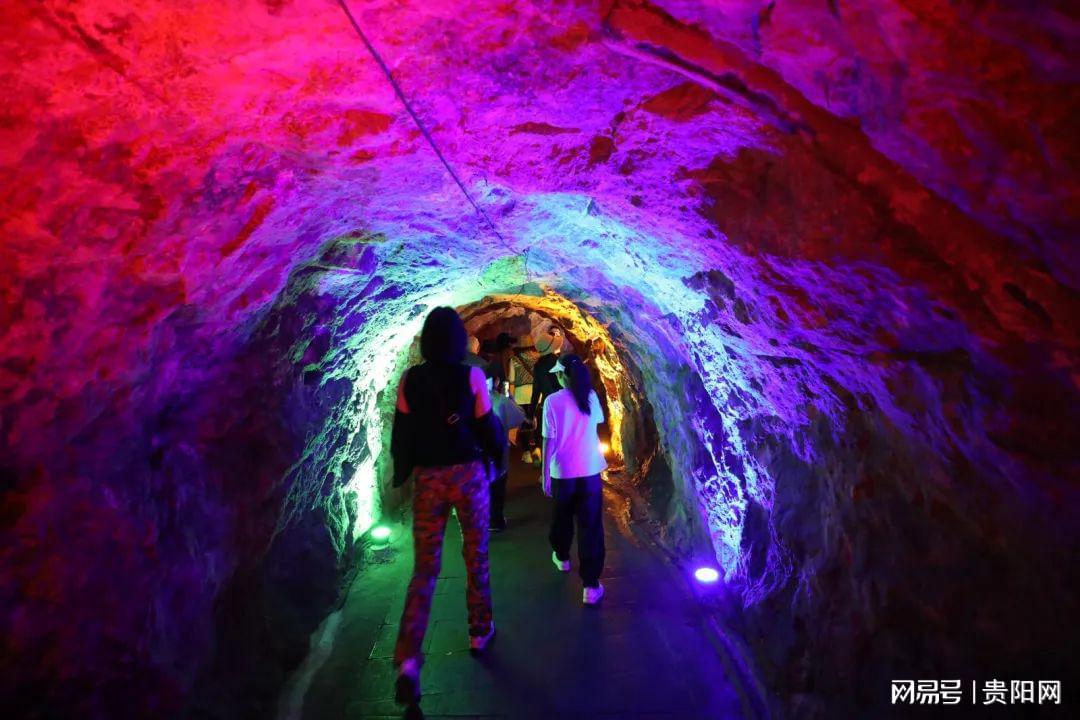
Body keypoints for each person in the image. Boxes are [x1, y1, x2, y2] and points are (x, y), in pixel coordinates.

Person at [390, 307, 506, 706]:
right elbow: (486, 425)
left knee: (424, 569)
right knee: (476, 556)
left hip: (429, 479)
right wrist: (498, 460)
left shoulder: (410, 380)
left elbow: (402, 434)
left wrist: (403, 473)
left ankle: (408, 659)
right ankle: (479, 630)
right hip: (468, 475)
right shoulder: (471, 376)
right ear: (458, 340)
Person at [541, 353, 608, 605]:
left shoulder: (552, 401)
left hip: (563, 471)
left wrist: (544, 474)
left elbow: (549, 440)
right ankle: (590, 585)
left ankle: (562, 557)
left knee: (562, 517)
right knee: (590, 526)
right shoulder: (591, 396)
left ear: (561, 375)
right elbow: (597, 422)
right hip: (589, 470)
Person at [484, 363, 526, 531]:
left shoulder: (470, 398)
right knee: (497, 487)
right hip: (497, 452)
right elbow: (519, 417)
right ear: (497, 381)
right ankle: (495, 521)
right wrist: (511, 399)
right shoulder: (501, 401)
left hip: (476, 454)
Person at [527, 325, 565, 462]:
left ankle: (541, 454)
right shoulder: (558, 362)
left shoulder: (538, 366)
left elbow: (536, 391)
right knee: (560, 436)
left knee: (547, 435)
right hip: (560, 403)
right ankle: (557, 463)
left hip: (546, 403)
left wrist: (531, 412)